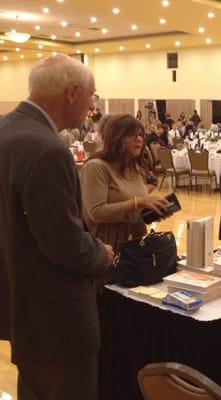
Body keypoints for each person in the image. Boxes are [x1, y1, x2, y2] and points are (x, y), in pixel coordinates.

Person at [0, 54, 114, 399]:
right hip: (57, 316)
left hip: (21, 301)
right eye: (92, 96)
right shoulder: (47, 148)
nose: (92, 106)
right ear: (73, 93)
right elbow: (64, 243)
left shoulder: (6, 129)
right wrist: (102, 254)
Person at [80, 113, 169, 252]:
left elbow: (131, 210)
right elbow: (96, 213)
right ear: (115, 138)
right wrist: (138, 202)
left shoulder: (135, 167)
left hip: (137, 244)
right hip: (108, 247)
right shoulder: (96, 167)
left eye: (140, 135)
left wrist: (150, 211)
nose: (139, 139)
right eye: (131, 135)